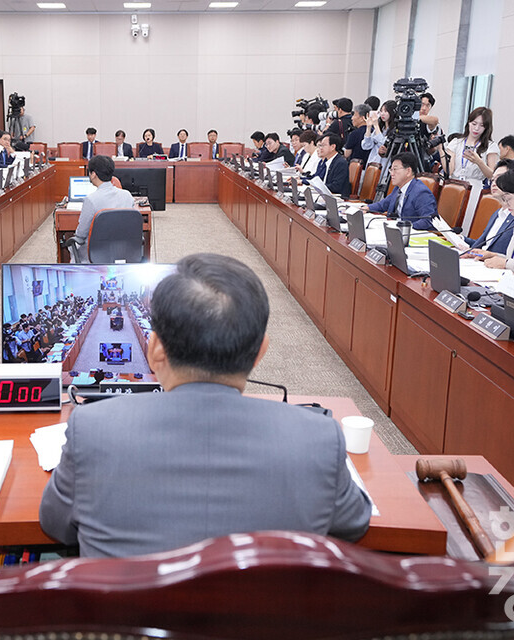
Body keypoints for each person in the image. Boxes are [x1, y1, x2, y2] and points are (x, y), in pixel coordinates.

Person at [39, 253, 371, 558]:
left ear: (155, 349)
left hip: (128, 623)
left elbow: (56, 524)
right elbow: (354, 524)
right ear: (260, 352)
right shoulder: (320, 439)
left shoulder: (91, 429)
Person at [72, 155, 136, 261]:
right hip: (123, 252)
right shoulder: (127, 195)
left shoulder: (90, 200)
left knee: (73, 244)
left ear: (93, 174)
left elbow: (81, 234)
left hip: (97, 254)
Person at [361, 152, 437, 230]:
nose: (392, 174)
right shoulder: (398, 188)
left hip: (411, 235)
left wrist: (404, 228)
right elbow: (383, 204)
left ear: (408, 171)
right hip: (395, 232)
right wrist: (367, 208)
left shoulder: (421, 192)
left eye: (395, 169)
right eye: (391, 169)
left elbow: (428, 220)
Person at [446, 106, 498, 218]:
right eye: (474, 124)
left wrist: (479, 162)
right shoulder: (456, 142)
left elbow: (492, 175)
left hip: (474, 188)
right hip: (454, 185)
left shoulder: (490, 146)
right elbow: (449, 170)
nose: (476, 128)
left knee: (467, 220)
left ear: (486, 128)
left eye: (482, 125)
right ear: (468, 123)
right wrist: (441, 151)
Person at [462, 159, 514, 254]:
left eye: (499, 178)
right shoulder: (498, 213)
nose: (494, 183)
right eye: (492, 179)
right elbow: (484, 244)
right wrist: (461, 238)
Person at [312, 132, 350, 198]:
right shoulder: (327, 161)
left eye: (323, 145)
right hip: (326, 195)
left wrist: (318, 187)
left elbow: (336, 186)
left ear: (333, 147)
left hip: (337, 198)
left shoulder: (340, 162)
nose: (320, 148)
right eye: (320, 145)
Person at [361, 100, 396, 167]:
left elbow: (384, 144)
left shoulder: (394, 130)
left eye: (386, 111)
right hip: (372, 162)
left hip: (384, 164)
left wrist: (376, 126)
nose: (382, 114)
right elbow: (366, 146)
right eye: (381, 111)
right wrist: (368, 128)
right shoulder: (381, 128)